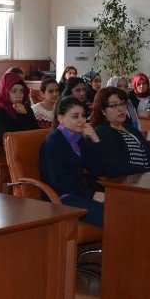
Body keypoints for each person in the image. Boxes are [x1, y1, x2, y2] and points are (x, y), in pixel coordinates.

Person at [39, 96, 105, 227]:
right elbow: (59, 181)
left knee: (120, 207)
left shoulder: (78, 139)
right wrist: (92, 194)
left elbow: (98, 169)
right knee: (110, 214)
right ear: (61, 119)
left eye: (83, 115)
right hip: (59, 198)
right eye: (75, 116)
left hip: (77, 193)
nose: (82, 120)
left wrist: (95, 139)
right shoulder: (53, 142)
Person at [80, 87, 150, 177]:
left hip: (148, 179)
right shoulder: (101, 132)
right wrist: (148, 173)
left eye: (122, 104)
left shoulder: (132, 130)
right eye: (114, 105)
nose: (121, 109)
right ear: (102, 110)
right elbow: (116, 167)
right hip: (127, 184)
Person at [0, 70, 38, 146]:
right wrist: (21, 115)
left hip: (27, 148)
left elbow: (36, 132)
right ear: (5, 92)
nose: (18, 95)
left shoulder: (26, 108)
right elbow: (11, 138)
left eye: (21, 91)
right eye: (14, 91)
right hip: (4, 152)